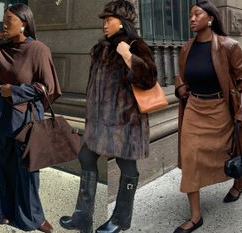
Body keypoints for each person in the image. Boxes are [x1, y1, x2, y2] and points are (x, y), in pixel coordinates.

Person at [59, 1, 157, 232]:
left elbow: (150, 77)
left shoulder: (135, 45)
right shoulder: (100, 47)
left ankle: (119, 220)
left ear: (122, 22)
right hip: (99, 122)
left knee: (127, 167)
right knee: (86, 156)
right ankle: (83, 216)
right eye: (104, 20)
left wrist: (129, 57)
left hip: (124, 123)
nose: (104, 24)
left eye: (109, 19)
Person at [0, 3, 61, 233]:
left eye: (10, 18)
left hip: (27, 120)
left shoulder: (38, 50)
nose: (4, 22)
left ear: (23, 23)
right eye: (4, 17)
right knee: (5, 167)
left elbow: (48, 87)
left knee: (29, 171)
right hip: (2, 120)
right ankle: (9, 211)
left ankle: (35, 217)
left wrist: (15, 91)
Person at [174, 1, 242, 233]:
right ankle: (195, 216)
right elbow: (181, 75)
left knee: (232, 152)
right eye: (190, 15)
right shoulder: (186, 47)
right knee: (190, 156)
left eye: (196, 14)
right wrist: (180, 86)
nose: (191, 18)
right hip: (193, 108)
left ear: (210, 18)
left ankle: (239, 184)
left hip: (221, 108)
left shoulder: (229, 46)